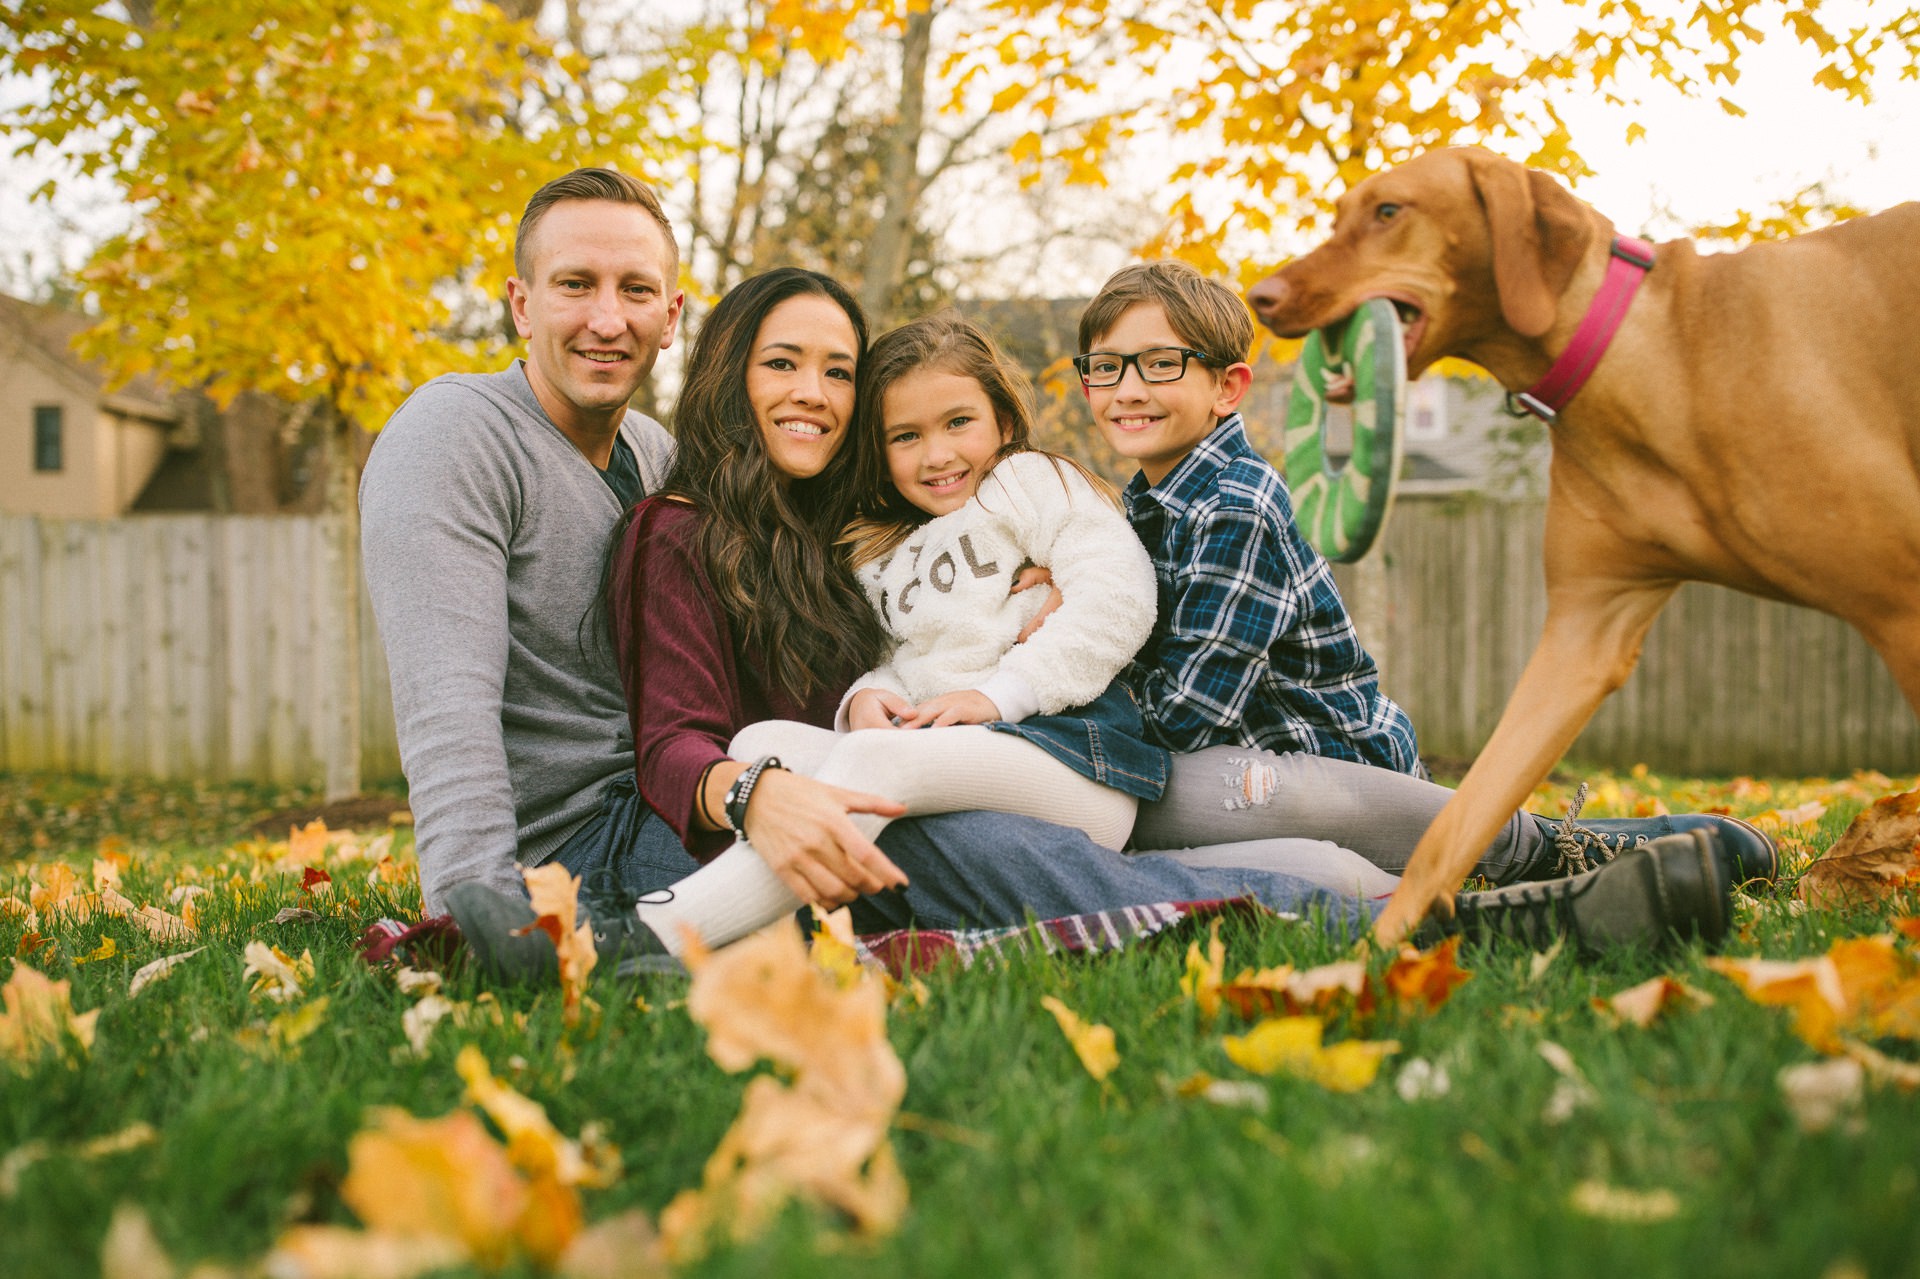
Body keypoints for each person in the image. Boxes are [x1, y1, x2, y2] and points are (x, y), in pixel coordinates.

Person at [442, 264, 1745, 981]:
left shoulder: (953, 522)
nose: (816, 390)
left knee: (1263, 805)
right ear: (726, 367)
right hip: (846, 803)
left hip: (1027, 768)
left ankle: (1528, 883)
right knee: (1169, 836)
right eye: (784, 362)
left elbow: (1055, 633)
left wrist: (982, 681)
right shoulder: (691, 532)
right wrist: (759, 781)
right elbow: (679, 734)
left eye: (837, 365)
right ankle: (1507, 905)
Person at [1072, 261, 1777, 887]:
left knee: (1476, 858)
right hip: (1254, 767)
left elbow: (1190, 713)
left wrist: (1064, 704)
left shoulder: (1236, 503)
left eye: (1160, 363)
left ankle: (1562, 851)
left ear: (1228, 388)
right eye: (1106, 366)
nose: (1127, 389)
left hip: (1333, 767)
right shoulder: (1148, 505)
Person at [616, 311, 1171, 953]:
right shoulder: (882, 548)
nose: (937, 455)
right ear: (876, 454)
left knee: (876, 759)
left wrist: (1002, 696)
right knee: (757, 741)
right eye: (905, 436)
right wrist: (866, 697)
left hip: (1073, 756)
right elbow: (909, 659)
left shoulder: (1029, 483)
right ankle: (783, 943)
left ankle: (648, 930)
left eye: (959, 422)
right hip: (967, 766)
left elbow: (1120, 595)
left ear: (1006, 423)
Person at [360, 167, 682, 917]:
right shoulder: (455, 435)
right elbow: (447, 706)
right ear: (521, 304)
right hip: (565, 860)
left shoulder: (659, 455)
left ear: (669, 318)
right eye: (575, 284)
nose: (607, 320)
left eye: (635, 290)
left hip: (672, 803)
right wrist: (477, 910)